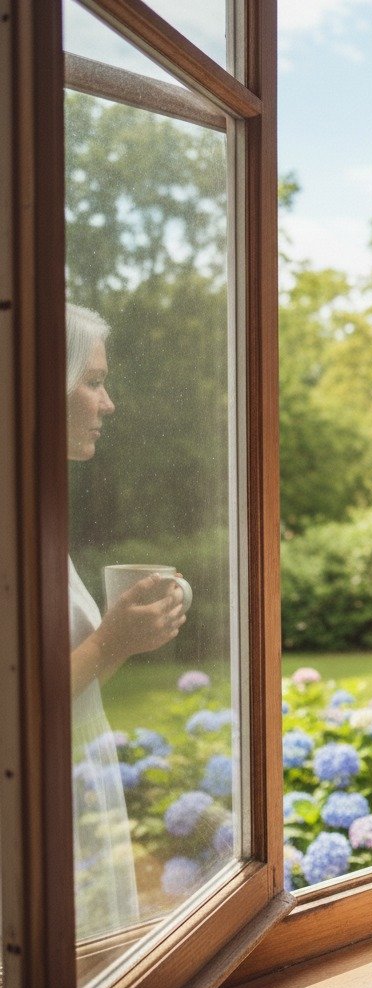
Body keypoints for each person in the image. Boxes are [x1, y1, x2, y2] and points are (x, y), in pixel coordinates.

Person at [66, 303, 187, 941]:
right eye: (92, 381)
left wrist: (120, 642)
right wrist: (112, 638)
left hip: (69, 782)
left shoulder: (31, 514)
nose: (108, 404)